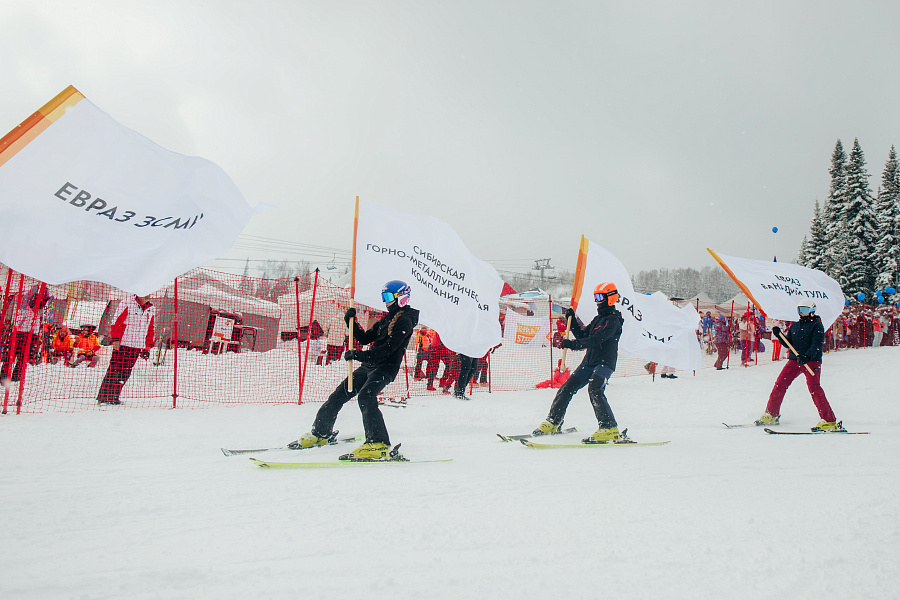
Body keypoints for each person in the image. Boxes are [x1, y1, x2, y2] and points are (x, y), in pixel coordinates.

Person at [290, 280, 419, 460]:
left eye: (388, 297)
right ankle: (321, 433)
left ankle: (378, 443)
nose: (385, 301)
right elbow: (365, 338)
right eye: (383, 297)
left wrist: (359, 355)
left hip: (385, 368)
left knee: (366, 396)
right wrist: (351, 322)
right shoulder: (387, 319)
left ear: (402, 297)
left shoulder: (405, 321)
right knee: (338, 395)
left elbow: (387, 349)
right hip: (369, 366)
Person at [533, 282, 624, 443]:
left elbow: (595, 340)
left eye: (600, 297)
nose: (597, 301)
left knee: (595, 389)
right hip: (589, 362)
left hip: (604, 363)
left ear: (610, 298)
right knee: (567, 388)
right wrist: (572, 320)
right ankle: (554, 421)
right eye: (596, 297)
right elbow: (583, 335)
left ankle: (609, 427)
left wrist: (572, 344)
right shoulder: (599, 319)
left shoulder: (613, 321)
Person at [756, 299, 839, 431]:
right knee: (780, 385)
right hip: (795, 360)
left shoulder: (816, 326)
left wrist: (807, 356)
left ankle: (829, 420)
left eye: (805, 310)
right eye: (800, 310)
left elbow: (817, 345)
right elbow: (789, 343)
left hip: (810, 361)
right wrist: (779, 335)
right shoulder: (795, 326)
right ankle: (772, 414)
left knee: (814, 388)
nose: (802, 313)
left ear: (812, 311)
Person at [96, 294, 156, 405]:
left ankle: (115, 396)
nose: (148, 296)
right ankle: (104, 397)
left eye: (149, 293)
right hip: (123, 344)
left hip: (136, 346)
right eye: (145, 293)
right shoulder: (127, 303)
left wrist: (148, 345)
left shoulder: (151, 308)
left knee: (125, 372)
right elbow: (116, 322)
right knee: (114, 370)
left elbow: (150, 328)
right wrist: (115, 339)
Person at [1, 284, 50, 387]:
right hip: (20, 332)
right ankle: (6, 376)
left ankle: (15, 376)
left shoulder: (34, 305)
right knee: (12, 355)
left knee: (21, 356)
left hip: (29, 333)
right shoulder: (23, 300)